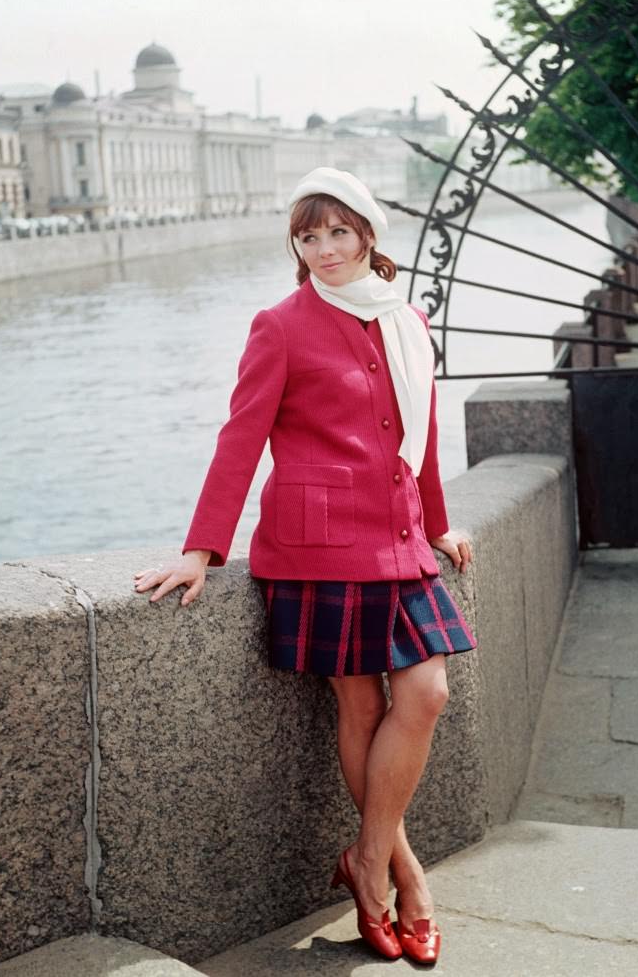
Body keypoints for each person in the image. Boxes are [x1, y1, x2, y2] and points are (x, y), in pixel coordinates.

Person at [133, 167, 476, 964]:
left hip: (398, 538)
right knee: (357, 711)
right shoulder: (280, 324)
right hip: (317, 546)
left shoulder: (406, 322)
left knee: (425, 694)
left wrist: (442, 524)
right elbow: (241, 435)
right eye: (307, 235)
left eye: (337, 233)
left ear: (368, 234)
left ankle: (364, 859)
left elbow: (415, 439)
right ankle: (400, 875)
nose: (322, 249)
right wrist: (202, 547)